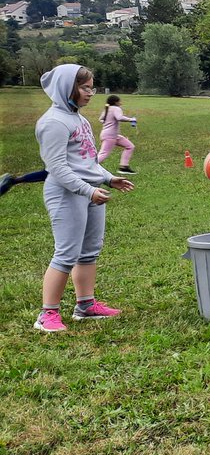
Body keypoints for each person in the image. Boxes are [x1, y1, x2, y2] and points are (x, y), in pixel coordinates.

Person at [33, 64, 134, 332]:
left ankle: (85, 306)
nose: (91, 93)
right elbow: (58, 169)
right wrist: (88, 190)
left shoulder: (79, 119)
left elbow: (87, 161)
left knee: (89, 252)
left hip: (90, 191)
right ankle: (47, 314)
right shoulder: (53, 122)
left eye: (92, 87)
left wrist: (109, 178)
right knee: (66, 253)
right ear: (67, 89)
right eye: (84, 87)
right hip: (67, 193)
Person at [97, 95, 137, 175]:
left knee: (130, 146)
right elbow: (119, 118)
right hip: (110, 136)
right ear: (116, 102)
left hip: (112, 135)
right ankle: (88, 167)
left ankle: (124, 167)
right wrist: (131, 119)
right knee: (104, 153)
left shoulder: (107, 109)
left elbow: (101, 119)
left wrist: (108, 123)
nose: (121, 103)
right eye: (120, 101)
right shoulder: (116, 108)